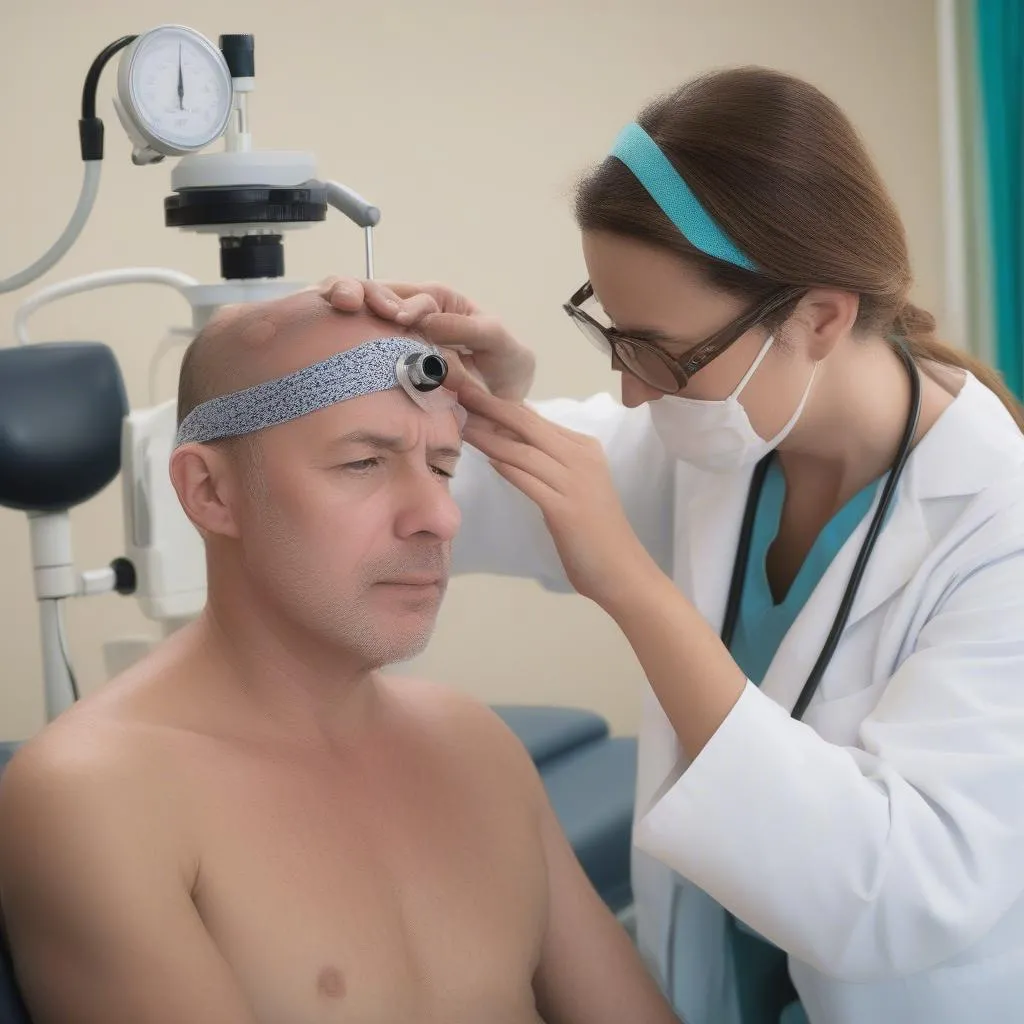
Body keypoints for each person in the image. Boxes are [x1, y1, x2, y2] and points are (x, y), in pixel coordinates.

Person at [319, 65, 1024, 1024]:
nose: (631, 394)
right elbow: (469, 491)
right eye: (615, 335)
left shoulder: (997, 533)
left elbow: (895, 894)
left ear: (819, 316)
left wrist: (634, 590)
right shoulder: (724, 438)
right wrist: (472, 407)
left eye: (662, 350)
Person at [0, 292, 681, 1024]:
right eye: (363, 462)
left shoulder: (474, 744)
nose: (442, 516)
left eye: (445, 466)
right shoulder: (102, 796)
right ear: (210, 491)